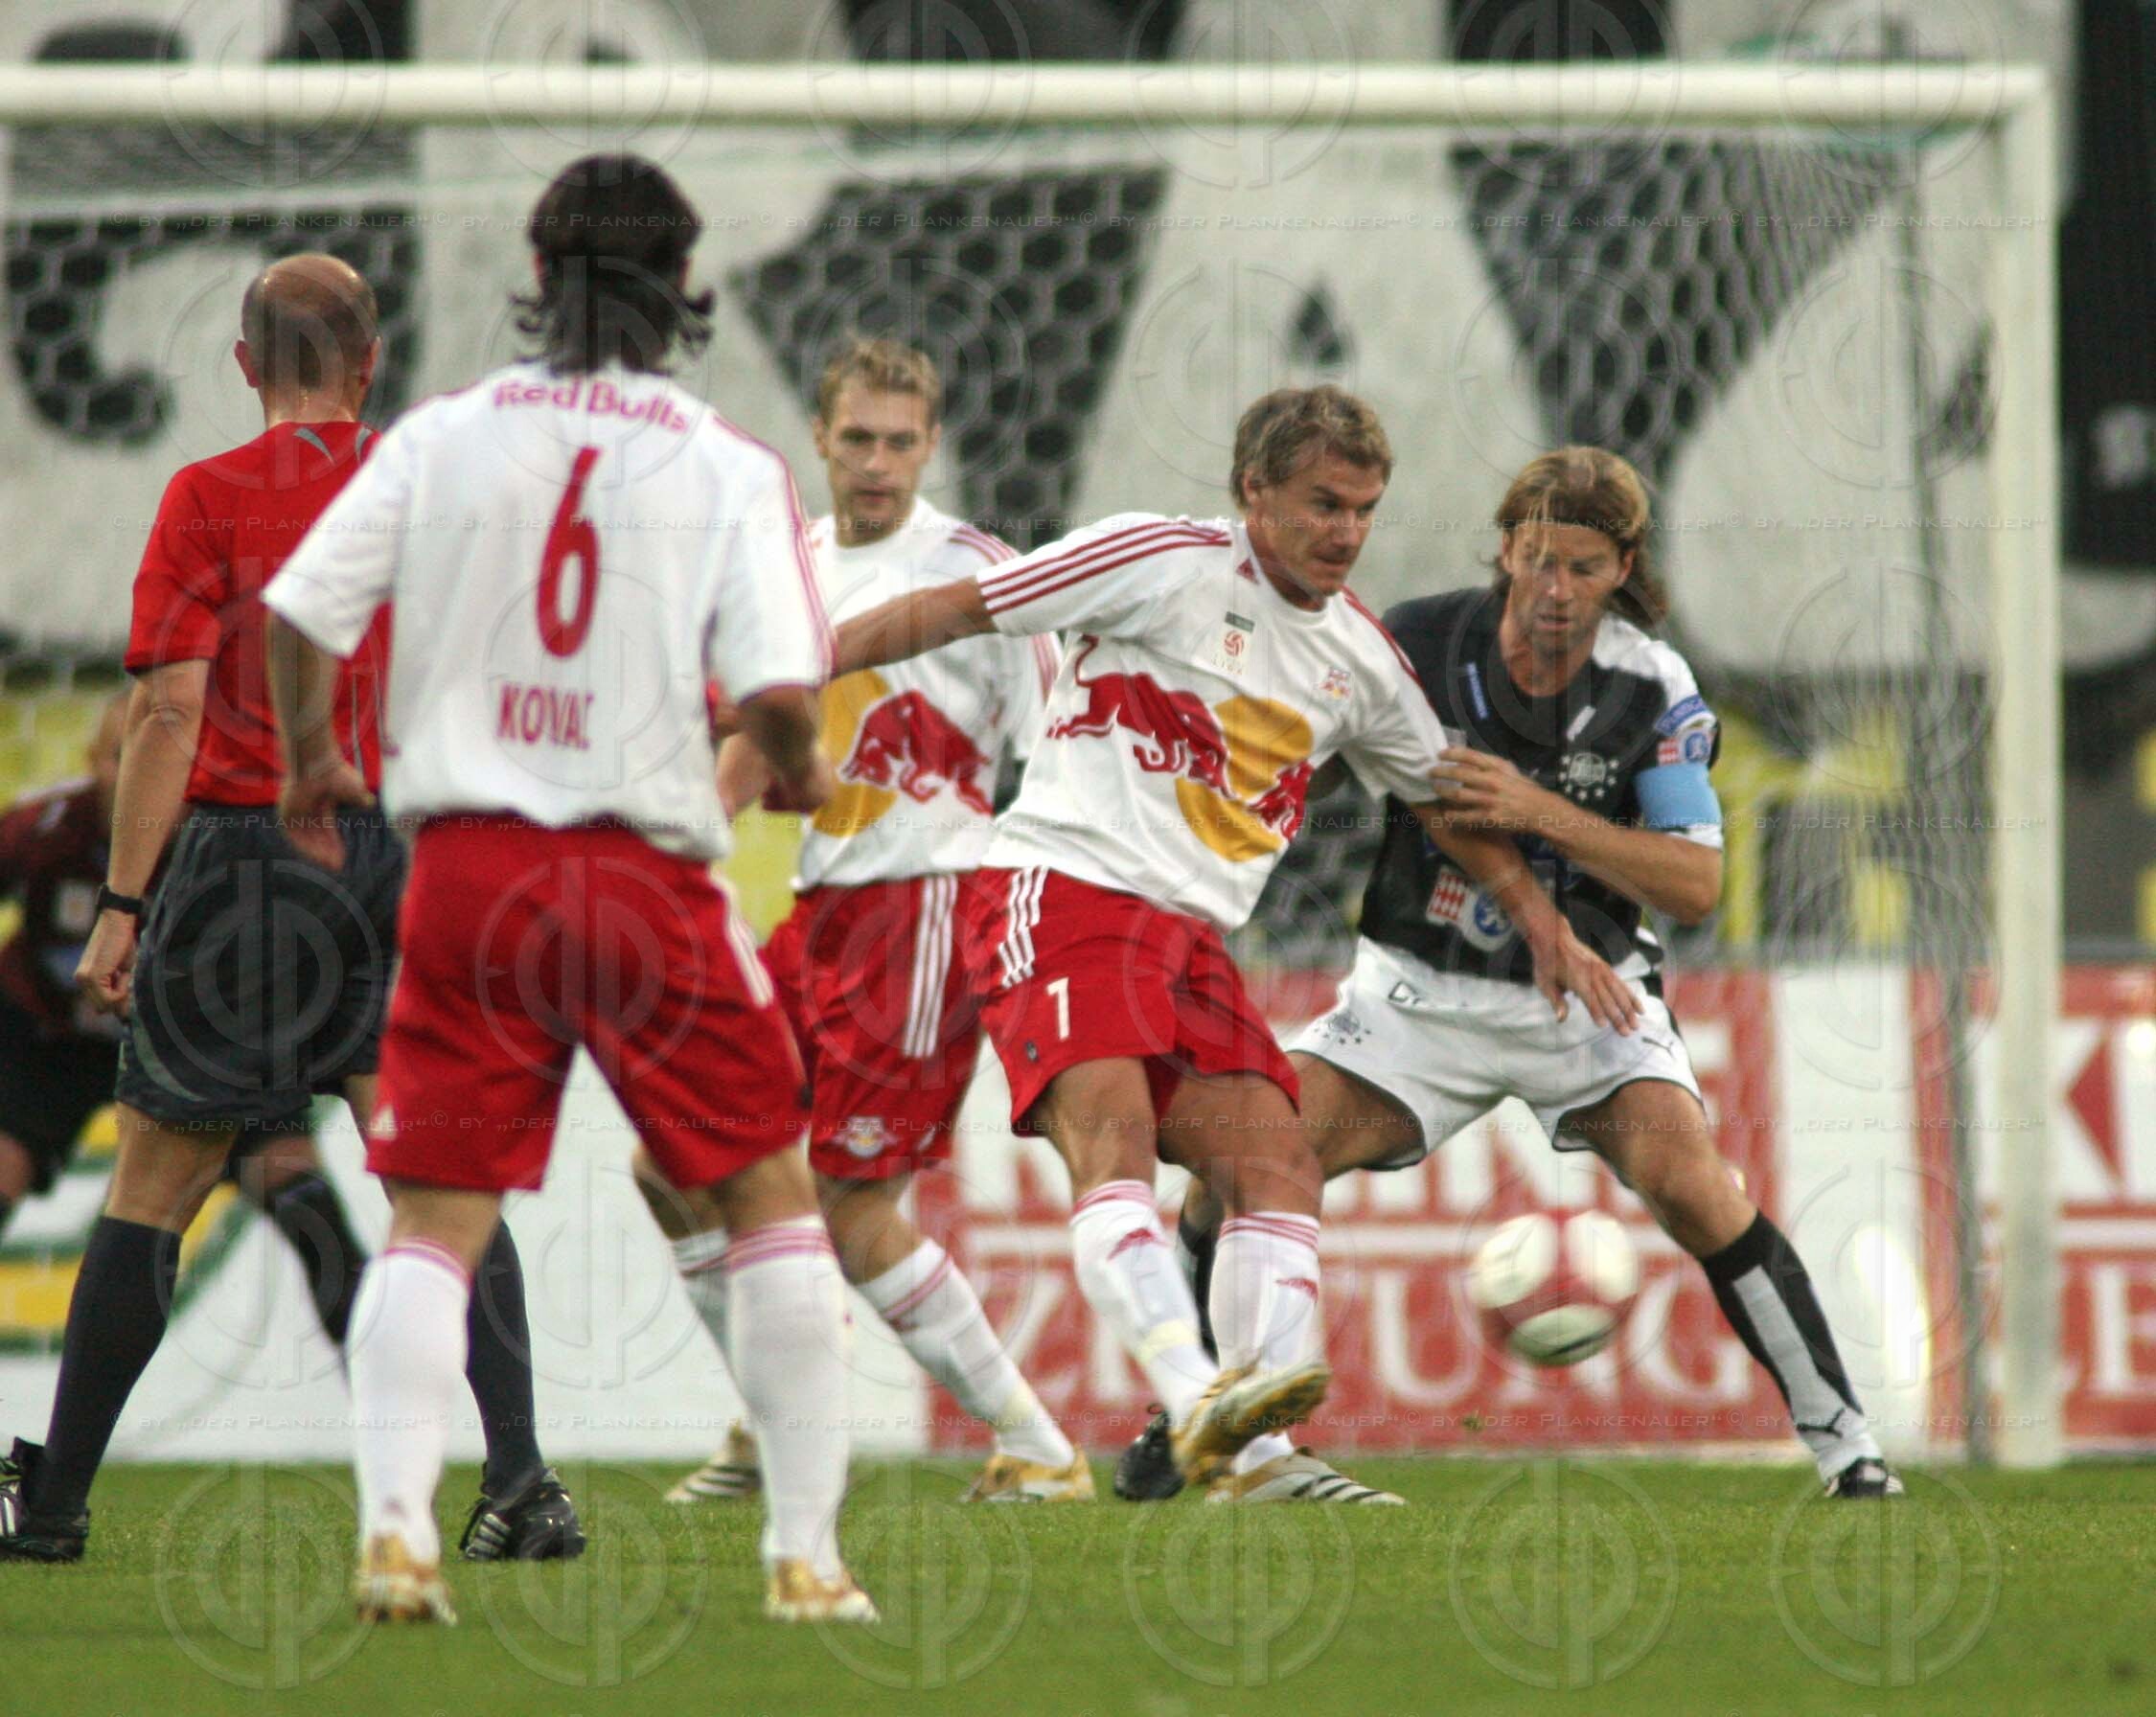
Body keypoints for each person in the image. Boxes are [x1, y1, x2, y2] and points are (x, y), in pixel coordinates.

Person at [831, 386, 1636, 1503]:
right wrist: (793, 672)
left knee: (1276, 1164)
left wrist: (1547, 926)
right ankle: (1194, 1391)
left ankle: (1262, 1457)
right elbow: (967, 605)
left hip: (1190, 939)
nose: (1346, 531)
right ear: (1252, 492)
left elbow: (1442, 802)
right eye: (1322, 503)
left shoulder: (1357, 658)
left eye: (1364, 508)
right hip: (1062, 887)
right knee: (1106, 1140)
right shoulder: (1154, 559)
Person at [263, 154, 872, 1625]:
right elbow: (782, 690)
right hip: (640, 876)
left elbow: (300, 609)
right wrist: (786, 763)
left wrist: (303, 762)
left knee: (438, 1215)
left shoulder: (445, 435)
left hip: (470, 874)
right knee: (772, 1199)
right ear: (685, 284)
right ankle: (804, 1557)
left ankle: (399, 1532)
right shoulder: (725, 463)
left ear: (538, 281)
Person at [1130, 446, 1902, 1500]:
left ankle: (1848, 1446)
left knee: (1695, 1187)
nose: (1555, 591)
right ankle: (1188, 1419)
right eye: (1538, 560)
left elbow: (1693, 883)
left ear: (1622, 566)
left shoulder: (1651, 687)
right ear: (1505, 548)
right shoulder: (1413, 641)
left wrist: (1537, 810)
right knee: (1246, 1157)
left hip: (1587, 1002)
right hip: (1415, 997)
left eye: (1584, 568)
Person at [0, 257, 579, 1567]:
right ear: (371, 362)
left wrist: (124, 901)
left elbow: (164, 710)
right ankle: (522, 1481)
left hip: (242, 867)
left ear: (247, 367)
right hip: (410, 859)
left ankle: (56, 1500)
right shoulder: (437, 492)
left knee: (156, 1183)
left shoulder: (206, 499)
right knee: (442, 1179)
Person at [654, 336, 1084, 1506]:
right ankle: (767, 1417)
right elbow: (751, 727)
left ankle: (1038, 1446)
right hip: (821, 907)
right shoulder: (788, 565)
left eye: (902, 440)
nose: (880, 461)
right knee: (670, 1154)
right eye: (859, 438)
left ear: (932, 443)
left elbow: (1057, 754)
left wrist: (1040, 920)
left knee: (848, 1211)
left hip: (928, 909)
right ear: (822, 439)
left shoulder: (984, 573)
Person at [0, 692, 366, 1343]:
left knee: (307, 1206)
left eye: (167, 760)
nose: (145, 775)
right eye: (122, 757)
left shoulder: (230, 846)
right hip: (52, 1038)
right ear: (92, 763)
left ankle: (390, 1428)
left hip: (198, 1044)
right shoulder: (44, 829)